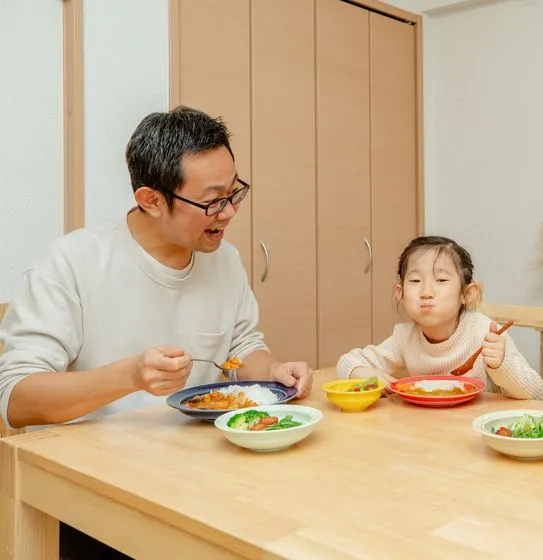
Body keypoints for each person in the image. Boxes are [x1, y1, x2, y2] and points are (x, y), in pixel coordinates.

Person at [0, 106, 313, 433]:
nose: (230, 211)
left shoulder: (224, 260)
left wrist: (274, 370)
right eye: (212, 202)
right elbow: (16, 400)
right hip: (92, 465)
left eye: (233, 192)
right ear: (151, 201)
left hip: (193, 455)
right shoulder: (71, 263)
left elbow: (241, 348)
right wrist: (130, 376)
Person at [337, 236, 543, 399]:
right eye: (416, 280)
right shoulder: (405, 337)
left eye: (441, 279)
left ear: (467, 294)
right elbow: (347, 361)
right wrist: (359, 372)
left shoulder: (485, 333)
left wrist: (501, 364)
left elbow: (536, 393)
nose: (426, 291)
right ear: (400, 294)